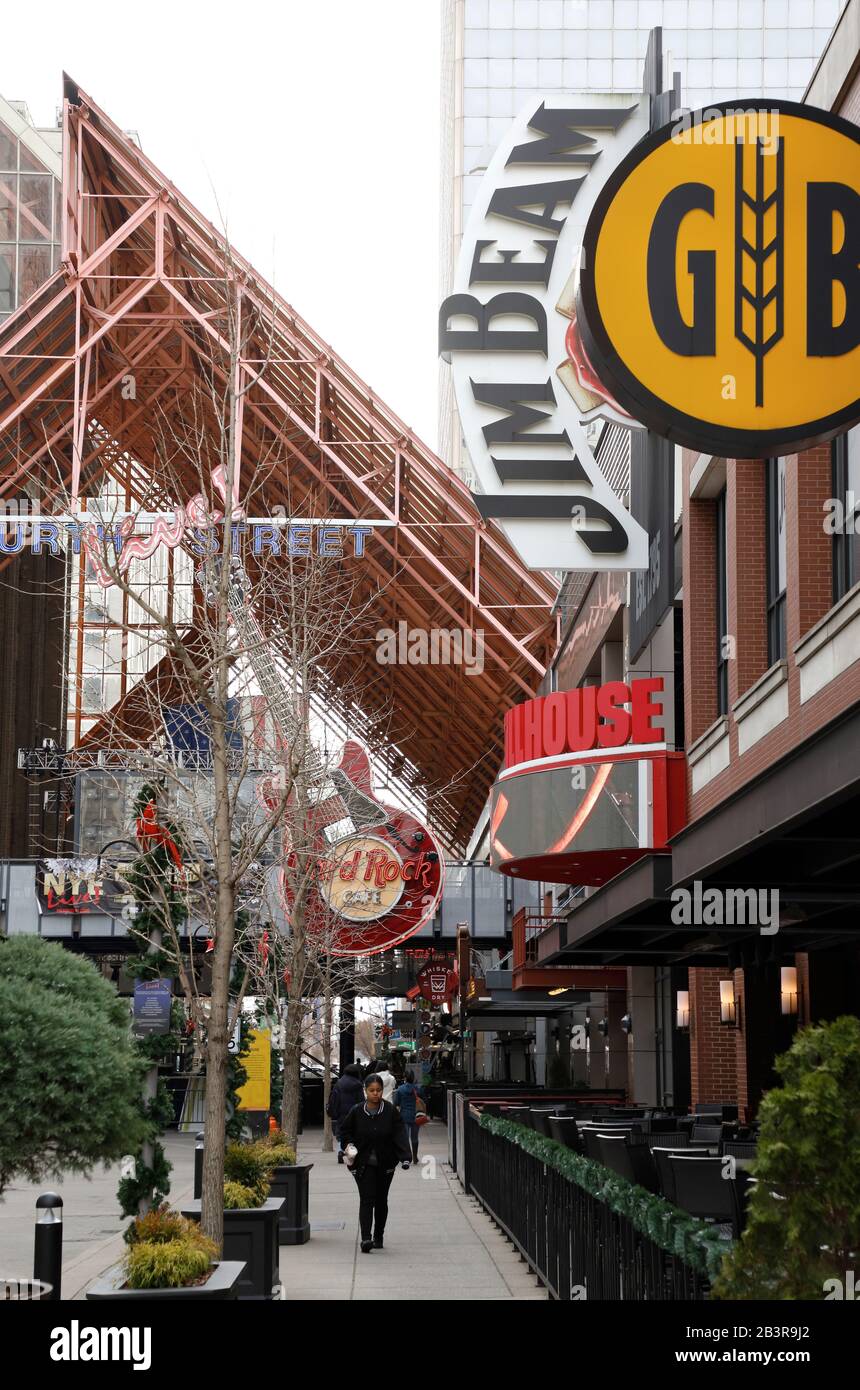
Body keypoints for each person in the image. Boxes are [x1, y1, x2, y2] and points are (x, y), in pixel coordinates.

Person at [340, 1073, 412, 1252]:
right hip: (362, 1163)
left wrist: (405, 1157)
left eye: (378, 1090)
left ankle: (379, 1235)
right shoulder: (356, 1111)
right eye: (371, 1090)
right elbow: (346, 1131)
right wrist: (349, 1146)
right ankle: (366, 1238)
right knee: (367, 1199)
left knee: (381, 1200)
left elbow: (399, 1134)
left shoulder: (390, 1111)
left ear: (382, 1091)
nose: (375, 1094)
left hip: (385, 1163)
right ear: (365, 1091)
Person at [327, 1063, 365, 1163]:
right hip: (354, 1113)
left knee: (341, 1133)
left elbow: (334, 1099)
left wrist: (333, 1111)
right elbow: (361, 1100)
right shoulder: (358, 1084)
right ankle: (352, 1153)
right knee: (353, 1133)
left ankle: (340, 1150)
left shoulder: (339, 1084)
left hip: (341, 1113)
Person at [394, 1068, 426, 1164]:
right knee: (415, 1137)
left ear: (405, 1078)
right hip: (416, 1115)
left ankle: (407, 1156)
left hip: (404, 1115)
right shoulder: (417, 1089)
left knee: (405, 1137)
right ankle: (415, 1156)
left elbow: (396, 1102)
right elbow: (423, 1099)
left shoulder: (400, 1089)